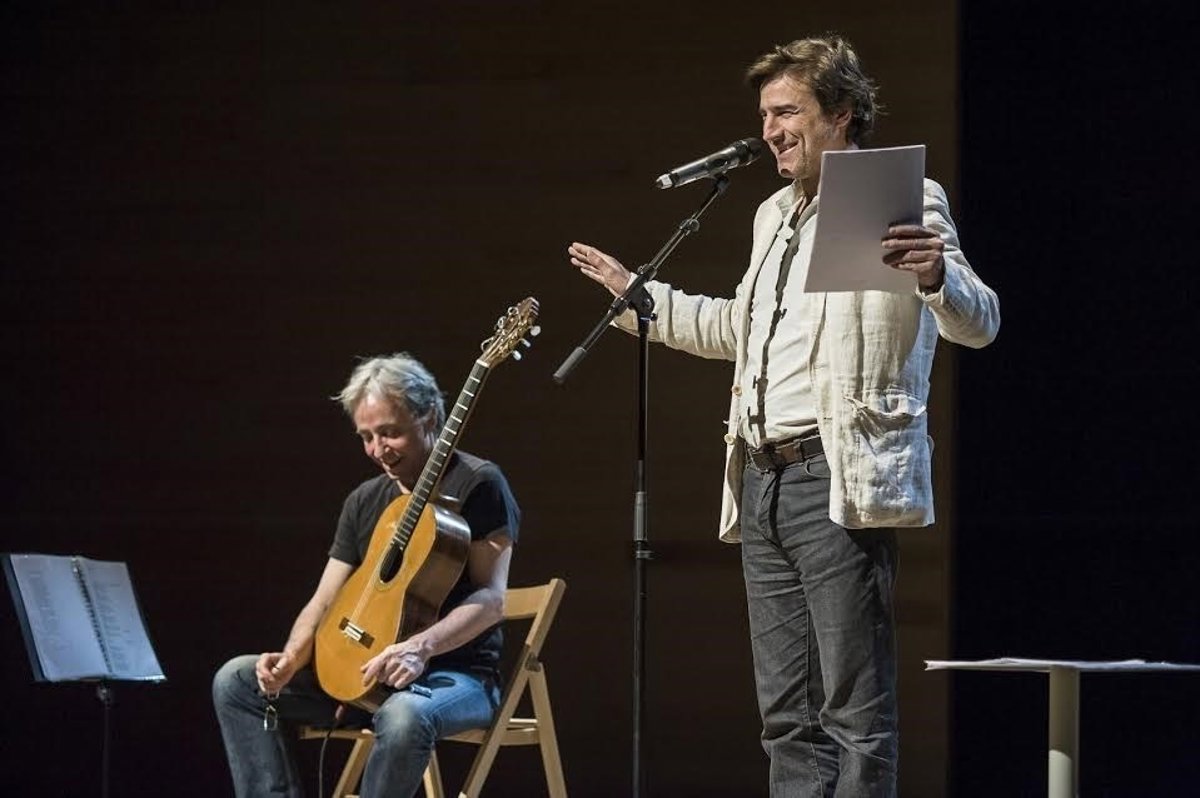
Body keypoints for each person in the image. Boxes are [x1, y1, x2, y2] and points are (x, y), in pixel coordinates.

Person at [568, 34, 999, 798]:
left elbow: (980, 321)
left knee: (854, 713)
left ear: (841, 112)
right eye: (765, 115)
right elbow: (738, 330)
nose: (769, 130)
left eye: (787, 111)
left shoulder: (899, 196)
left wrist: (935, 273)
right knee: (786, 720)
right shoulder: (774, 214)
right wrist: (642, 299)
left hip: (834, 475)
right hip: (759, 479)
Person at [213, 353, 520, 797]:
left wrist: (419, 648)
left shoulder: (479, 483)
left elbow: (492, 600)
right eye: (366, 437)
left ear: (429, 417)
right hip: (364, 672)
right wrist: (290, 659)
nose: (378, 450)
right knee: (237, 682)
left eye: (390, 432)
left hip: (457, 675)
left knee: (403, 715)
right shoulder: (364, 500)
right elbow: (324, 599)